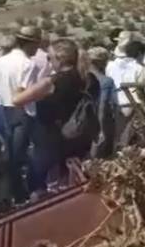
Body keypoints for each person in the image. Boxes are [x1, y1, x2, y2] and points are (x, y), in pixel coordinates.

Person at [13, 39, 101, 197]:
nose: (49, 61)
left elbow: (17, 100)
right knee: (73, 177)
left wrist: (21, 83)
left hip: (51, 138)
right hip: (80, 134)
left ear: (59, 58)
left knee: (40, 182)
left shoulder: (51, 82)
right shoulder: (89, 79)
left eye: (49, 57)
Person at [0, 26, 43, 208]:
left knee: (9, 152)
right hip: (22, 112)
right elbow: (23, 92)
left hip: (4, 109)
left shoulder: (3, 60)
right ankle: (9, 198)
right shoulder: (28, 64)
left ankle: (12, 194)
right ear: (31, 43)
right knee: (15, 157)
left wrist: (0, 100)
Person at [106, 40, 145, 146]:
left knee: (115, 135)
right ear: (139, 53)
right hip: (132, 105)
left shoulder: (110, 66)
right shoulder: (139, 68)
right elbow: (142, 91)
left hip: (113, 103)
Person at [87, 47, 118, 158]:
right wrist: (101, 130)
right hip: (102, 123)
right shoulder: (106, 81)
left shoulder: (81, 78)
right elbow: (103, 106)